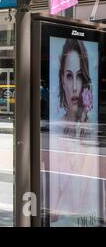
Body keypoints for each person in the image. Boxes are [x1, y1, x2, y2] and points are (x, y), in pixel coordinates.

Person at [49, 39, 98, 226]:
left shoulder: (92, 129)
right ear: (62, 79)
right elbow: (53, 212)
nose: (75, 87)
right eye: (69, 76)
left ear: (85, 80)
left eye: (79, 76)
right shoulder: (54, 130)